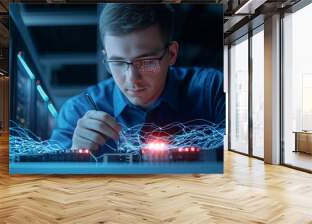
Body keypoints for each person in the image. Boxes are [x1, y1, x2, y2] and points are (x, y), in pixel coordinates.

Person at [50, 4, 225, 156]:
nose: (132, 79)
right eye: (117, 62)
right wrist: (75, 154)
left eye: (146, 61)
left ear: (171, 54)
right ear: (106, 58)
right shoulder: (77, 112)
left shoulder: (214, 92)